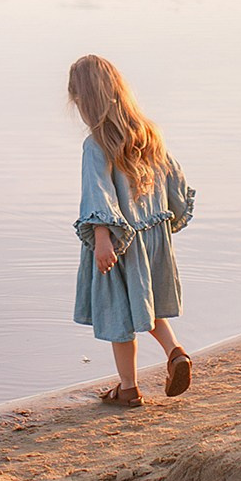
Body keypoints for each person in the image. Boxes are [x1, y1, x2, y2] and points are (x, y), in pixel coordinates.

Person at [69, 54, 196, 406]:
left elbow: (99, 194)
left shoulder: (96, 144)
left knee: (118, 313)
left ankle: (128, 389)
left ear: (86, 101)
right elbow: (175, 181)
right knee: (146, 302)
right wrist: (167, 218)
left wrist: (101, 240)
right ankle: (175, 353)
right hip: (153, 237)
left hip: (118, 240)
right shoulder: (147, 132)